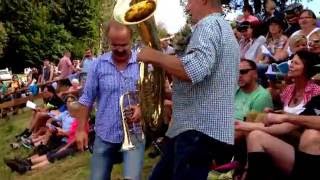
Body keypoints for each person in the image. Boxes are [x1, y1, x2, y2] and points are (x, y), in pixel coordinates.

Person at [137, 0, 240, 179]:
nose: (187, 7)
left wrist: (155, 56)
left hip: (198, 128)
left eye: (190, 1)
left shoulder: (209, 25)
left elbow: (193, 70)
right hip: (196, 128)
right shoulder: (221, 27)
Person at [75, 20, 145, 180]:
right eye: (115, 45)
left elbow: (152, 95)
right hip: (105, 134)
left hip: (134, 134)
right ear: (108, 41)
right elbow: (86, 99)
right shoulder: (98, 65)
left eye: (124, 44)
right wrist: (80, 129)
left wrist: (142, 108)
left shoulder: (142, 63)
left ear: (131, 39)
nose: (120, 49)